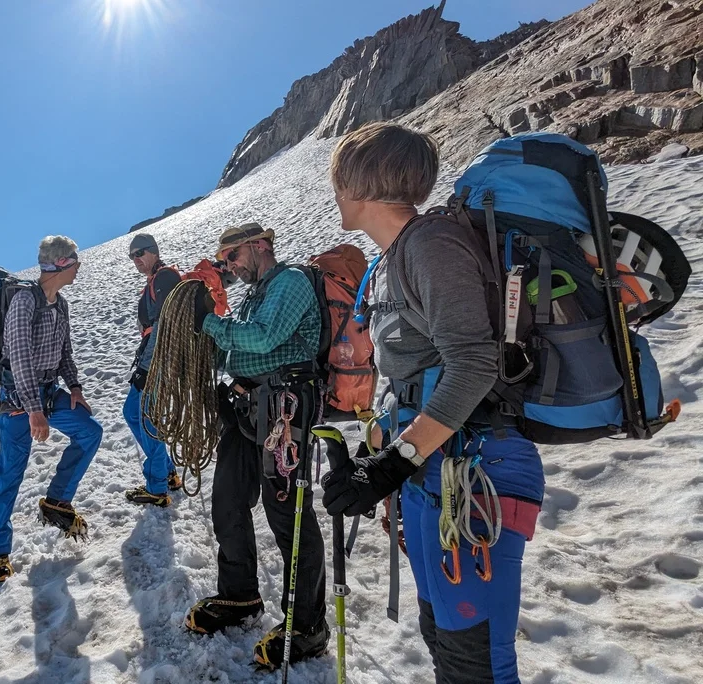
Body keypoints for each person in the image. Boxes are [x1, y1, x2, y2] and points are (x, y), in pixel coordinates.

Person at [321, 122, 543, 683]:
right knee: (443, 638)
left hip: (478, 468)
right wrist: (377, 457)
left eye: (339, 179)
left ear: (361, 183)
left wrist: (396, 462)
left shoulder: (431, 244)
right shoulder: (387, 262)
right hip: (436, 469)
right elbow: (415, 375)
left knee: (477, 660)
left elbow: (473, 363)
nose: (335, 192)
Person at [184, 222, 329, 668]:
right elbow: (238, 352)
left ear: (260, 245)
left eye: (231, 255)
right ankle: (240, 595)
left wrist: (210, 322)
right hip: (249, 404)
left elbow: (265, 338)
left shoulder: (290, 282)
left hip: (284, 407)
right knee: (227, 499)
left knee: (286, 511)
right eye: (224, 260)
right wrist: (202, 337)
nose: (228, 265)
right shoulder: (252, 295)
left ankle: (308, 625)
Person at [0, 236, 103, 584]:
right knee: (10, 472)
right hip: (18, 401)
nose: (78, 267)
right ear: (60, 264)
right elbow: (18, 359)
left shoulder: (60, 305)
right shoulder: (23, 301)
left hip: (49, 392)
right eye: (75, 262)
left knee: (89, 431)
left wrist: (75, 388)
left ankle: (56, 501)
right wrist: (34, 410)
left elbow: (65, 352)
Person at [123, 234, 184, 506]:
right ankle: (167, 472)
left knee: (147, 420)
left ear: (154, 252)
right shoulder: (156, 280)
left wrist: (147, 367)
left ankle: (157, 487)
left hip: (159, 360)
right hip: (156, 359)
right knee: (134, 413)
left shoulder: (164, 279)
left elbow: (164, 326)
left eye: (141, 253)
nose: (136, 259)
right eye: (132, 256)